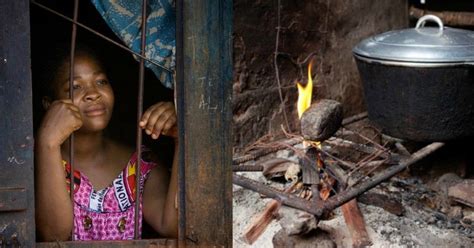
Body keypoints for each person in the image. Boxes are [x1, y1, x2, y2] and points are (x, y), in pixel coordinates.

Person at [34, 46, 178, 241]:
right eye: (75, 86)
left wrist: (183, 135)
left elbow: (172, 226)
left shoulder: (141, 165)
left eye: (101, 81)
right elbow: (54, 235)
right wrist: (47, 142)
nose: (93, 93)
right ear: (49, 104)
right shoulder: (38, 163)